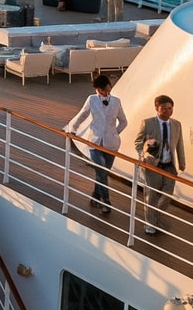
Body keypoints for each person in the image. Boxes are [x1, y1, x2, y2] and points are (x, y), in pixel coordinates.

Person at [64, 75, 128, 214]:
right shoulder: (91, 99)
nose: (106, 93)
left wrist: (115, 133)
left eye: (107, 90)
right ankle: (106, 202)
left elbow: (123, 121)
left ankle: (95, 195)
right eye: (102, 91)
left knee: (102, 173)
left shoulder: (116, 101)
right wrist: (72, 130)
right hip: (94, 142)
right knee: (102, 172)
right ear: (97, 89)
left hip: (111, 144)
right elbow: (82, 114)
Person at [132, 95, 186, 235]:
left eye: (170, 108)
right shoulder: (147, 123)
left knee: (167, 196)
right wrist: (143, 155)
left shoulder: (176, 124)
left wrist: (182, 162)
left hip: (169, 165)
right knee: (151, 196)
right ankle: (150, 224)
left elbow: (179, 144)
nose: (168, 111)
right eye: (164, 108)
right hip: (153, 165)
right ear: (157, 109)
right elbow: (138, 142)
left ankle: (154, 216)